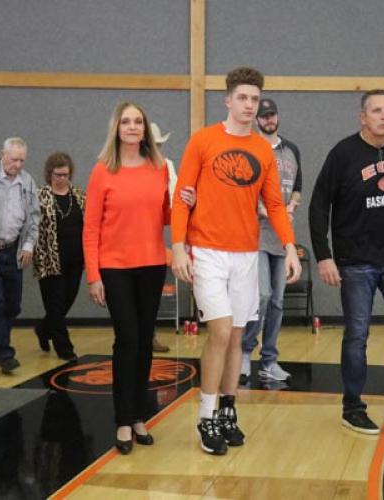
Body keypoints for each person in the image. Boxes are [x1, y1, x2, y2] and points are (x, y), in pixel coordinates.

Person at [171, 67, 302, 455]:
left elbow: (275, 205)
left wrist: (291, 246)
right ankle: (206, 415)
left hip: (247, 253)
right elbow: (182, 196)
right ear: (228, 100)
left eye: (254, 99)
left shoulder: (263, 149)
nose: (249, 105)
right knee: (222, 332)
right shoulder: (203, 140)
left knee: (238, 337)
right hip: (208, 251)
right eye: (242, 98)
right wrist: (178, 245)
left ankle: (228, 408)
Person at [309, 89, 384, 440]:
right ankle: (353, 408)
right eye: (376, 110)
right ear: (363, 117)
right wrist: (324, 255)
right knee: (357, 336)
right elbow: (319, 205)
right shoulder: (343, 153)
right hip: (355, 262)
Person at [83, 101, 169, 455]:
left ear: (145, 129)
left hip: (152, 264)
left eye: (138, 122)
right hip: (115, 267)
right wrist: (93, 276)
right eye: (126, 122)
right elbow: (90, 228)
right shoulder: (102, 171)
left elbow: (166, 214)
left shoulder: (159, 168)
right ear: (116, 128)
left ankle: (138, 415)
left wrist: (185, 200)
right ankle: (122, 418)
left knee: (145, 340)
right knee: (128, 339)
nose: (132, 127)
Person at [241, 98, 302, 383]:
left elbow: (297, 187)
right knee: (262, 295)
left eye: (271, 115)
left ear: (278, 116)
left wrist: (292, 206)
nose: (268, 120)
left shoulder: (292, 150)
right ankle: (244, 350)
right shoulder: (251, 147)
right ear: (257, 120)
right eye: (263, 116)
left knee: (277, 301)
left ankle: (269, 360)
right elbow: (244, 190)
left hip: (282, 235)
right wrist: (263, 209)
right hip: (256, 234)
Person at [0, 137, 40, 374]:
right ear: (1, 154)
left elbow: (34, 218)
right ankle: (4, 354)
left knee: (12, 307)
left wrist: (29, 246)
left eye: (22, 160)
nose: (18, 165)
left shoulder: (27, 182)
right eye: (14, 159)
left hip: (13, 253)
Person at [33, 152, 85, 361]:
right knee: (55, 304)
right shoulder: (40, 196)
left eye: (65, 174)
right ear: (49, 174)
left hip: (76, 260)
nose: (62, 179)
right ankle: (65, 349)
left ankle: (43, 329)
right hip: (49, 261)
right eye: (58, 175)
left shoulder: (80, 197)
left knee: (65, 303)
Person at [150, 122, 195, 353]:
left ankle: (150, 335)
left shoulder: (166, 166)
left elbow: (178, 196)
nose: (155, 148)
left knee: (152, 293)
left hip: (154, 236)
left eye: (158, 144)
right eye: (152, 144)